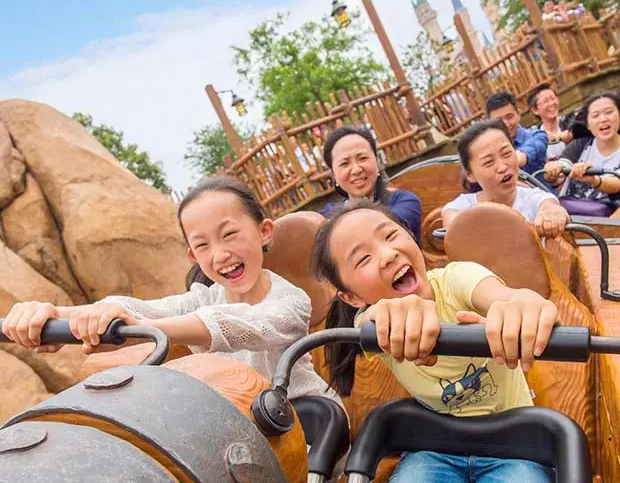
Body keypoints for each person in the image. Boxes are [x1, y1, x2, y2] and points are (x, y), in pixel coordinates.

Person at [2, 176, 343, 410]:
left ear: (264, 231)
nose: (219, 254)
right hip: (242, 428)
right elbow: (143, 308)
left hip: (307, 427)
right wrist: (56, 315)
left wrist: (138, 326)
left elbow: (239, 325)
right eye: (203, 245)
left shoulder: (291, 300)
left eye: (229, 234)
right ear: (193, 255)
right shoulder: (203, 297)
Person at [311, 200, 558, 483]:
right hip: (435, 448)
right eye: (363, 259)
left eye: (390, 235)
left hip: (515, 443)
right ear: (351, 297)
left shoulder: (457, 279)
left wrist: (522, 306)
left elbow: (505, 297)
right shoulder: (372, 325)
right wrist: (389, 315)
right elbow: (372, 320)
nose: (388, 255)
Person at [442, 120, 569, 239]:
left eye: (507, 153)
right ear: (470, 174)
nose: (502, 167)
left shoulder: (533, 198)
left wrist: (552, 213)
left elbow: (549, 205)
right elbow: (453, 223)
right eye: (489, 162)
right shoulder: (462, 206)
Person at [544, 92, 620, 211]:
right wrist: (554, 171)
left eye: (609, 112)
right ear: (588, 124)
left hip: (613, 216)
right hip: (570, 213)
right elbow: (563, 165)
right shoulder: (580, 145)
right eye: (595, 115)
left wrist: (594, 180)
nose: (603, 119)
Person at [319, 126, 422, 243]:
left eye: (362, 158)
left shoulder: (404, 201)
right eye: (344, 164)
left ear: (377, 162)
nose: (356, 170)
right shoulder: (327, 215)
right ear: (333, 174)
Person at [486, 91, 548, 176]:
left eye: (509, 117)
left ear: (518, 114)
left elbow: (524, 154)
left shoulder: (537, 135)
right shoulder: (488, 149)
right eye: (498, 120)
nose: (506, 124)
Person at [528, 84, 574, 161]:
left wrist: (557, 137)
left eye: (553, 98)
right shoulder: (535, 136)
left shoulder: (570, 121)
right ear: (535, 110)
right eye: (546, 101)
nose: (551, 103)